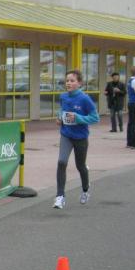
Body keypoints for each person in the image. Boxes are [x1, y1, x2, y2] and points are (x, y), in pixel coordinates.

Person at [53, 70, 98, 209]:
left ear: (79, 83)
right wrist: (59, 117)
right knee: (61, 162)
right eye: (67, 80)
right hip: (66, 135)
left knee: (81, 166)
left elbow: (95, 118)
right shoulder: (63, 96)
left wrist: (78, 118)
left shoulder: (85, 99)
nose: (68, 83)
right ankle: (60, 196)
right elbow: (62, 110)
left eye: (72, 81)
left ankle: (85, 190)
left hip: (80, 137)